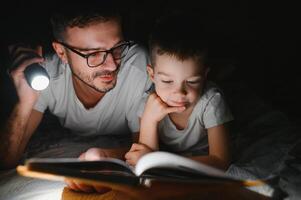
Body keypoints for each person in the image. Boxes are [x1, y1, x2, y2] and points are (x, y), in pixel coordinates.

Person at [0, 1, 150, 191]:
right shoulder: (48, 75)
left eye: (117, 47)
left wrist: (104, 155)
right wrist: (24, 103)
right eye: (93, 54)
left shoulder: (138, 69)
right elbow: (6, 159)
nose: (112, 65)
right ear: (61, 52)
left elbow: (146, 152)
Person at [125, 13, 234, 170]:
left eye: (192, 82)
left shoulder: (211, 101)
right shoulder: (149, 103)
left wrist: (164, 163)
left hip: (201, 159)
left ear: (204, 76)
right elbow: (147, 159)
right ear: (152, 75)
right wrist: (149, 120)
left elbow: (221, 161)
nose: (179, 92)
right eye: (167, 81)